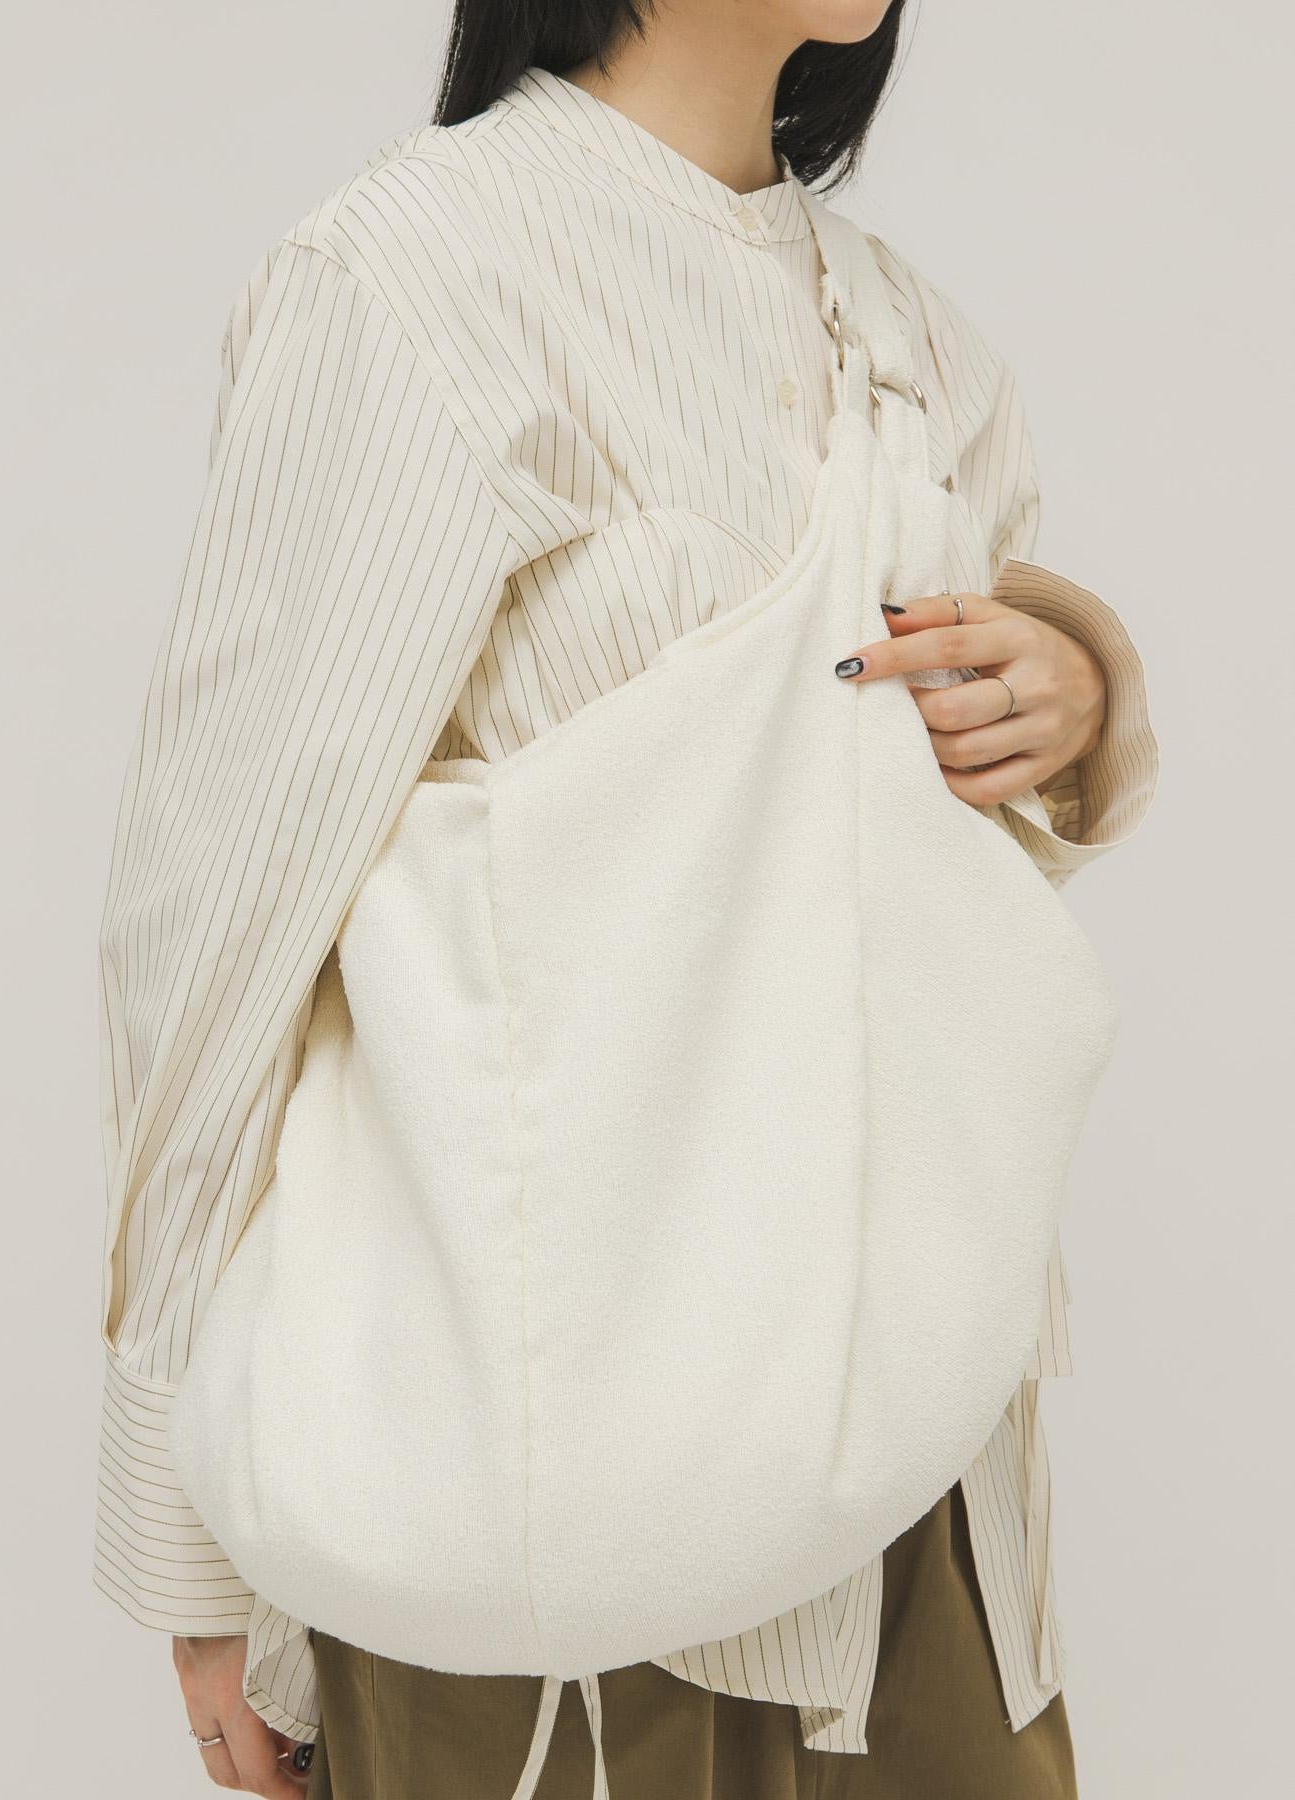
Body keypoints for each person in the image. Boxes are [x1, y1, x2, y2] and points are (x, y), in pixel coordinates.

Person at [91, 4, 1160, 1796]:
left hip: (928, 1508)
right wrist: (187, 1517)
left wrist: (1069, 684)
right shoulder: (419, 276)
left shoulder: (916, 343)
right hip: (546, 1542)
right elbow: (220, 916)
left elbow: (922, 878)